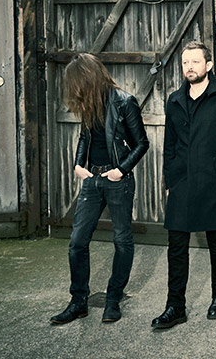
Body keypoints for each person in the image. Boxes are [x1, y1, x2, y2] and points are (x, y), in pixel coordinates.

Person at [151, 41, 216, 329]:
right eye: (185, 63)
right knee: (176, 245)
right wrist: (170, 179)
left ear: (208, 65)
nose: (189, 67)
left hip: (215, 182)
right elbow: (170, 145)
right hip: (182, 182)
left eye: (195, 61)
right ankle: (175, 306)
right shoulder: (174, 100)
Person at [51, 53, 149, 325]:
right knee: (77, 242)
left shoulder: (124, 102)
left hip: (117, 181)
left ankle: (113, 299)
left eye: (76, 83)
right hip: (92, 180)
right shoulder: (89, 102)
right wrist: (77, 164)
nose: (74, 90)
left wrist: (121, 170)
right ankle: (78, 302)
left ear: (88, 77)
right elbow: (86, 135)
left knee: (122, 240)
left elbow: (142, 143)